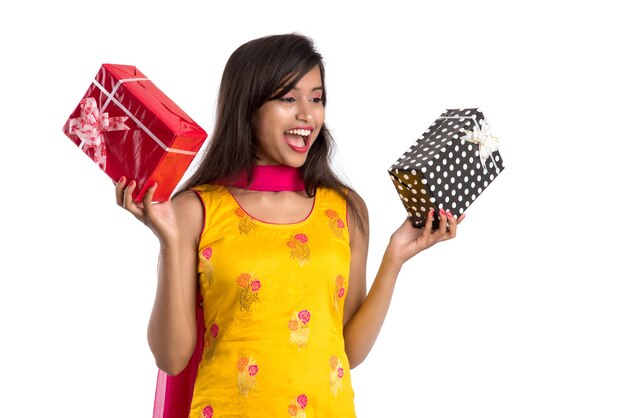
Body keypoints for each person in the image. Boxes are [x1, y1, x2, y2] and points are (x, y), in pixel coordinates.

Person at [115, 33, 464, 418]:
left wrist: (395, 258)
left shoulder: (345, 209)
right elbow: (171, 358)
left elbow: (348, 351)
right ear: (247, 106)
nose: (307, 114)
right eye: (288, 98)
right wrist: (168, 242)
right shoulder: (196, 209)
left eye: (316, 98)